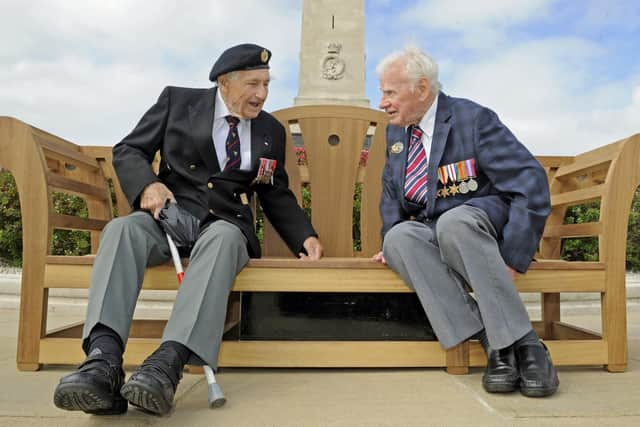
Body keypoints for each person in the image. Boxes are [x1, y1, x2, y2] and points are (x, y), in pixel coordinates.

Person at [53, 43, 323, 416]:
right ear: (224, 83)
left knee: (225, 237)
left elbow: (274, 191)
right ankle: (102, 363)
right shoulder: (177, 102)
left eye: (266, 84)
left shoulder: (270, 131)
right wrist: (148, 185)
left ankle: (166, 366)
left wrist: (303, 236)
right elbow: (129, 150)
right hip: (169, 218)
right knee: (121, 231)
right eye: (253, 84)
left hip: (225, 226)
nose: (261, 94)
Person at [372, 46, 558, 397]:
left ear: (422, 88)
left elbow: (529, 181)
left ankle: (526, 346)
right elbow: (391, 193)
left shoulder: (473, 119)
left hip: (479, 221)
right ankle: (494, 340)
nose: (383, 102)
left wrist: (514, 256)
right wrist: (389, 242)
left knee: (454, 221)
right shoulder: (396, 134)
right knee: (397, 238)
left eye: (390, 93)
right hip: (437, 229)